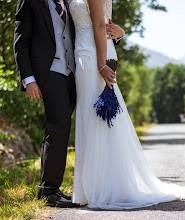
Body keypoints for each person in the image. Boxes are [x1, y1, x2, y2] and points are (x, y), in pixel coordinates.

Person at [69, 0, 185, 210]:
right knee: (92, 119)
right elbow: (105, 24)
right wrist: (120, 34)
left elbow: (100, 25)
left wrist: (101, 64)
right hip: (84, 54)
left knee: (98, 120)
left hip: (93, 58)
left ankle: (104, 188)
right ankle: (93, 187)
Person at [13, 0, 123, 207]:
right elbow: (20, 41)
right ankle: (48, 191)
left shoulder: (68, 1)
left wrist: (118, 35)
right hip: (49, 72)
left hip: (75, 71)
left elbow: (90, 27)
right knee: (58, 126)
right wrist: (28, 79)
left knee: (67, 126)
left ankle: (56, 188)